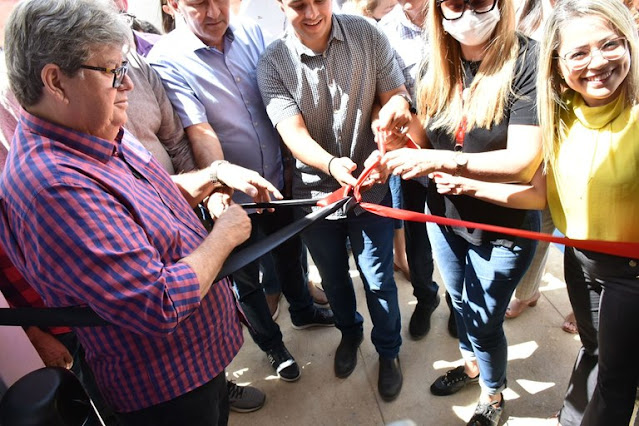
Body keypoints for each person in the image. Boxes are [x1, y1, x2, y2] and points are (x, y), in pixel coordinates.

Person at [0, 0, 277, 423]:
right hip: (166, 389)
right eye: (114, 71)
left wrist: (211, 176)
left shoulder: (92, 129)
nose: (127, 85)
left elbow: (145, 201)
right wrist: (225, 234)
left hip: (196, 364)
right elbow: (158, 301)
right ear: (55, 81)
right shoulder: (53, 185)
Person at [430, 1, 639, 424]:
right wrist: (467, 184)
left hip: (630, 273)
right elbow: (536, 196)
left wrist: (443, 165)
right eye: (579, 53)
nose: (596, 63)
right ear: (558, 67)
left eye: (610, 45)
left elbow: (520, 164)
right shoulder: (561, 115)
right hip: (582, 263)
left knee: (616, 381)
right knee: (593, 351)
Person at [148, 0, 335, 384]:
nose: (213, 11)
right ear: (171, 5)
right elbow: (198, 130)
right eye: (198, 3)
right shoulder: (167, 58)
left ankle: (301, 308)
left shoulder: (252, 32)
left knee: (289, 253)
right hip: (231, 199)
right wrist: (219, 181)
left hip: (278, 181)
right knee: (245, 278)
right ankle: (272, 345)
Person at [380, 0, 542, 423]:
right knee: (462, 303)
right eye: (455, 2)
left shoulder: (528, 59)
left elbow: (523, 161)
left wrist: (441, 163)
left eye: (479, 1)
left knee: (485, 320)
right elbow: (424, 135)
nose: (468, 12)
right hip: (446, 219)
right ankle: (472, 367)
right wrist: (400, 126)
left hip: (504, 227)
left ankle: (493, 394)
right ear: (439, 9)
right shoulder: (435, 61)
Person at [258, 0, 414, 402]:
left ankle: (388, 352)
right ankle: (349, 333)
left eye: (319, 1)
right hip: (318, 198)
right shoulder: (274, 62)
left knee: (379, 282)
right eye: (297, 5)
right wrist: (329, 163)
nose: (311, 13)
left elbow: (395, 94)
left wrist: (395, 111)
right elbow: (292, 134)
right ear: (280, 5)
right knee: (333, 278)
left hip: (372, 188)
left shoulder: (367, 34)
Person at [379, 0, 454, 341]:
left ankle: (459, 305)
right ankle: (426, 298)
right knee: (416, 236)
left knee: (457, 235)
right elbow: (384, 96)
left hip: (456, 153)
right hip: (411, 156)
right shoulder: (384, 32)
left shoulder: (458, 13)